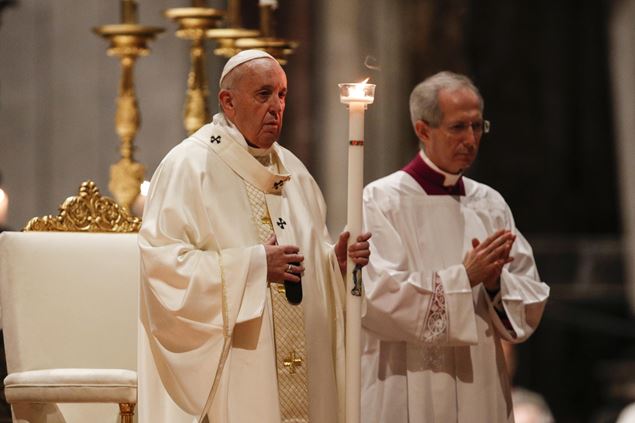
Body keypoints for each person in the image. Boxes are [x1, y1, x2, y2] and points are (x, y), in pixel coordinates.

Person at [138, 50, 371, 423]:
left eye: (282, 95)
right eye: (264, 94)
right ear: (228, 102)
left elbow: (309, 270)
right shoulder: (188, 167)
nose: (276, 107)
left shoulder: (295, 172)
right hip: (238, 371)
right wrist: (254, 265)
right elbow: (163, 268)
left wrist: (334, 266)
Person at [360, 71, 550, 423]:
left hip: (479, 380)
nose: (471, 139)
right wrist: (463, 278)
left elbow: (529, 296)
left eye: (478, 127)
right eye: (458, 127)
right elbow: (377, 296)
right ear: (423, 130)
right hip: (409, 377)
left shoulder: (490, 204)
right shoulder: (382, 201)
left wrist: (494, 284)